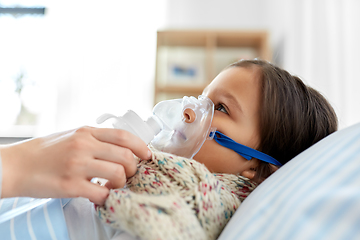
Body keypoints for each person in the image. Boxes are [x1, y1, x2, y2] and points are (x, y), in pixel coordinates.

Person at [0, 59, 338, 240]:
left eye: (220, 108)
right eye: (202, 96)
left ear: (257, 168)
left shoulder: (180, 210)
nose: (189, 109)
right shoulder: (144, 171)